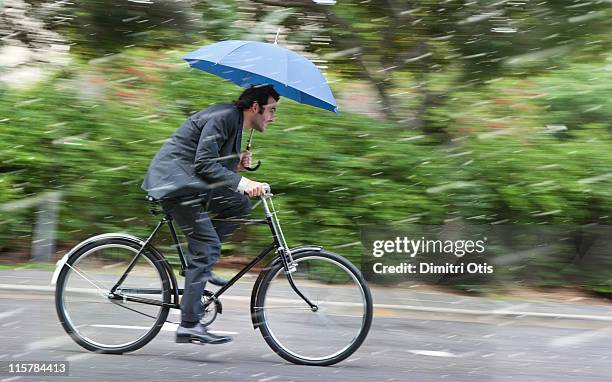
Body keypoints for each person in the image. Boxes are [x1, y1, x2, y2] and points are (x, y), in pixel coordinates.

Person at [141, 84, 280, 344]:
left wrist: (236, 164)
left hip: (190, 183)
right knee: (205, 247)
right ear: (255, 107)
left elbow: (214, 165)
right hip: (175, 184)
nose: (273, 117)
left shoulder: (235, 122)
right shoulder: (224, 117)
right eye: (271, 110)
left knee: (239, 205)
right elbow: (204, 164)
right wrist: (244, 183)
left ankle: (200, 263)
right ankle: (189, 325)